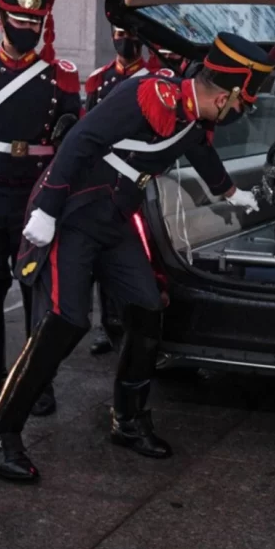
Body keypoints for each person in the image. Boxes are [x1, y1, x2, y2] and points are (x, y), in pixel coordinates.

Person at [0, 32, 271, 483]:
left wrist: (231, 193)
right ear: (228, 92)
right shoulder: (145, 92)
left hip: (114, 219)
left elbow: (198, 146)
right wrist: (47, 210)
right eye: (241, 103)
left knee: (146, 306)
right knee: (65, 319)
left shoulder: (190, 110)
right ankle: (0, 435)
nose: (240, 113)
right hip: (75, 212)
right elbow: (79, 141)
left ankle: (128, 421)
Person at [0, 0, 81, 420]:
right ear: (1, 18)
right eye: (18, 20)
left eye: (35, 22)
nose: (25, 29)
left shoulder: (63, 78)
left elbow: (75, 142)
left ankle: (38, 382)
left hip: (36, 194)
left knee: (37, 288)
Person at [84, 26, 150, 356]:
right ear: (112, 35)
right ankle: (106, 322)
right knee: (102, 249)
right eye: (122, 33)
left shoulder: (154, 77)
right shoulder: (99, 80)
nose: (128, 41)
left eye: (135, 35)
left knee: (138, 251)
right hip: (105, 175)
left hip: (139, 174)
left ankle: (133, 320)